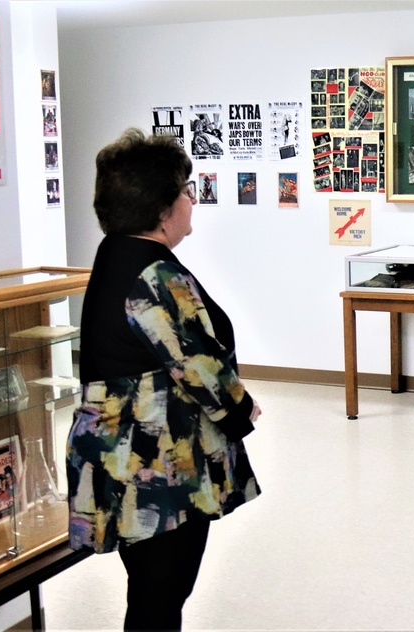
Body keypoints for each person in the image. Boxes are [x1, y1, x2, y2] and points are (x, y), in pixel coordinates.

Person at [67, 129, 262, 631]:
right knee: (161, 593)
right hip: (154, 464)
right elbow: (196, 364)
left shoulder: (115, 253)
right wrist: (243, 409)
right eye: (186, 190)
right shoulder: (154, 275)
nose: (191, 201)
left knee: (154, 590)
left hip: (125, 451)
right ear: (162, 208)